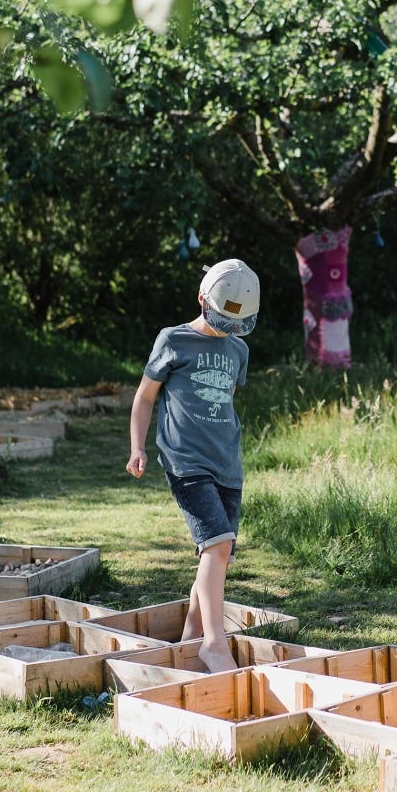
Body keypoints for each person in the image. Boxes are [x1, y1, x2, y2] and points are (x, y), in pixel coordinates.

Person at [126, 258, 259, 674]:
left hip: (227, 466)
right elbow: (145, 396)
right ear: (202, 298)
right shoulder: (174, 340)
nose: (227, 330)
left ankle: (187, 640)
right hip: (186, 462)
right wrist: (138, 447)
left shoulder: (239, 348)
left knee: (216, 557)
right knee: (216, 546)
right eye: (222, 319)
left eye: (236, 324)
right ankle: (214, 645)